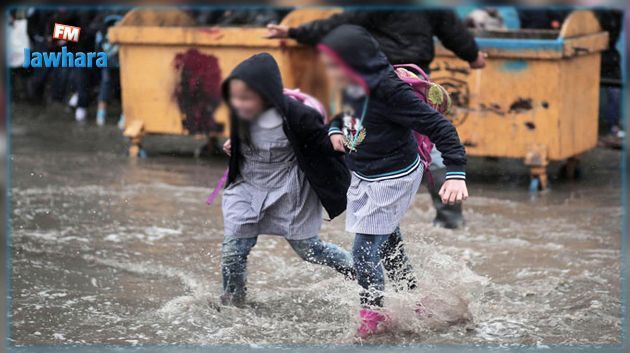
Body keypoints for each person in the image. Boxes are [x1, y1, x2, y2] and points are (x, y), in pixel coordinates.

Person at [266, 9, 483, 229]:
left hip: (385, 81)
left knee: (416, 143)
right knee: (418, 146)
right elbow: (454, 31)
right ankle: (448, 220)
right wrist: (473, 56)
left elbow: (343, 24)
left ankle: (444, 210)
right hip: (399, 78)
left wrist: (294, 32)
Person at [317, 25, 468, 338]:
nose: (328, 72)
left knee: (363, 249)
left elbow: (440, 127)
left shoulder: (390, 92)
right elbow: (339, 111)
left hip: (393, 176)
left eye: (334, 65)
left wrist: (455, 173)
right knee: (386, 243)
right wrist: (333, 129)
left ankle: (371, 314)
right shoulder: (348, 84)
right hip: (364, 171)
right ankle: (412, 298)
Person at [219, 53, 354, 307]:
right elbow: (246, 135)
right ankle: (233, 303)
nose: (238, 104)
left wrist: (341, 141)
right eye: (234, 98)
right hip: (248, 184)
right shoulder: (241, 110)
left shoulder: (298, 115)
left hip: (288, 186)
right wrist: (235, 143)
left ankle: (359, 271)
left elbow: (323, 145)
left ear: (266, 94)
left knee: (309, 250)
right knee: (234, 249)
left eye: (245, 98)